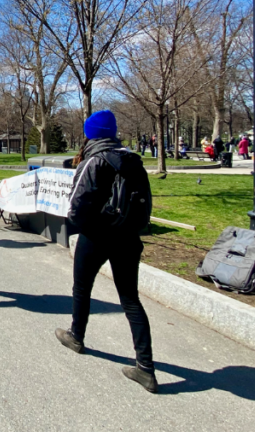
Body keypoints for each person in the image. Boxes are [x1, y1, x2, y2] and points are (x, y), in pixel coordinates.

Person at [55, 110, 157, 393]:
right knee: (131, 300)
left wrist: (84, 225)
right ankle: (146, 368)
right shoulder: (132, 160)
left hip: (97, 235)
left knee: (82, 287)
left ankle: (77, 336)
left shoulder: (94, 160)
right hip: (128, 237)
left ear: (91, 133)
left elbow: (75, 206)